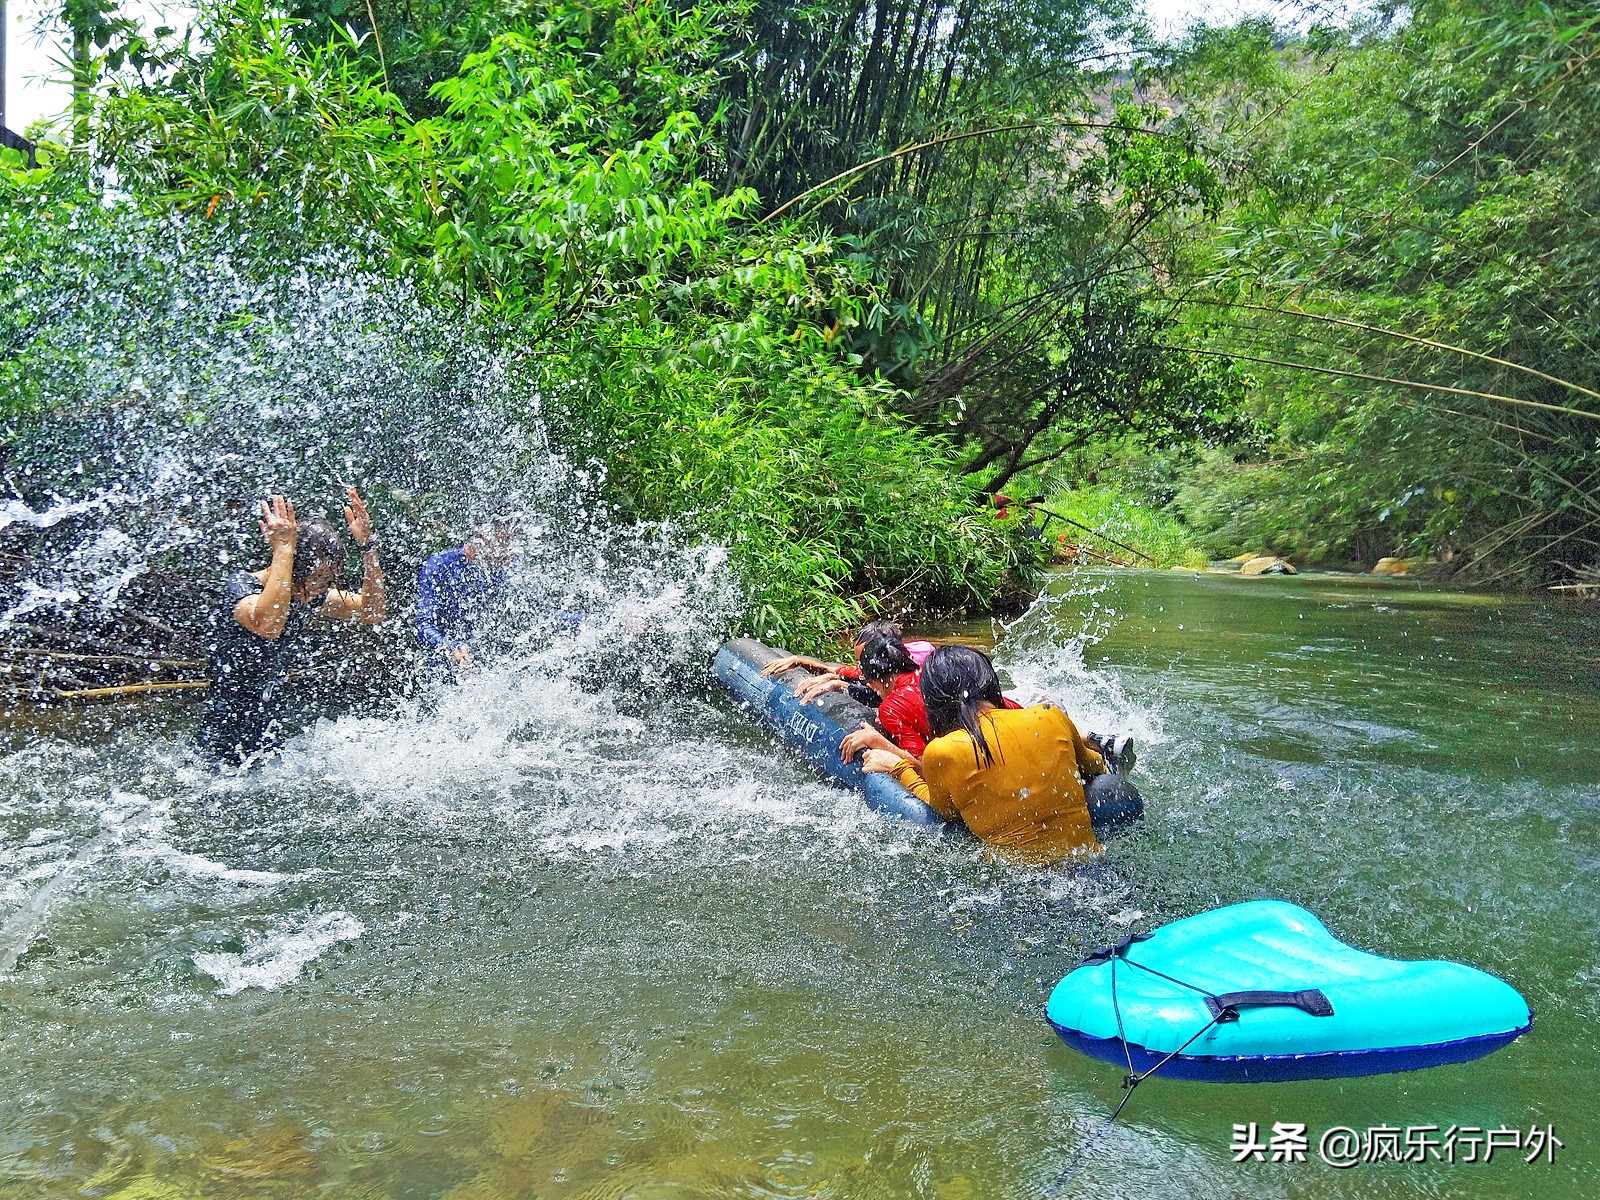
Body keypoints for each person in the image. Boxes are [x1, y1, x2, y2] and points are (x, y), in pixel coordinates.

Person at [860, 645, 1108, 864]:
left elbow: (944, 811)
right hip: (1091, 865)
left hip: (1018, 881)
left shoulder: (943, 751)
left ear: (933, 702)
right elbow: (1094, 767)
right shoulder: (1050, 716)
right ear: (990, 683)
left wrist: (898, 767)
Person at [198, 489, 387, 764]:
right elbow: (269, 625)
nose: (326, 586)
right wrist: (285, 546)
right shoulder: (241, 587)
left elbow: (372, 612)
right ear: (296, 565)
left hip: (268, 732)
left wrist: (368, 547)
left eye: (330, 578)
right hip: (221, 739)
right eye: (320, 576)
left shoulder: (305, 597)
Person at [414, 517, 591, 678]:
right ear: (481, 536)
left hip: (497, 677)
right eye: (507, 541)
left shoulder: (511, 569)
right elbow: (423, 625)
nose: (512, 551)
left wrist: (600, 620)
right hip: (447, 685)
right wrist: (450, 646)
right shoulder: (439, 566)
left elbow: (546, 616)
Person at [762, 620, 935, 706]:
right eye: (858, 663)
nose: (861, 669)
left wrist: (841, 685)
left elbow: (876, 696)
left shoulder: (919, 671)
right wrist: (799, 661)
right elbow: (850, 673)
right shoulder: (884, 666)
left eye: (863, 664)